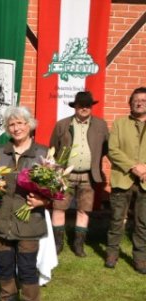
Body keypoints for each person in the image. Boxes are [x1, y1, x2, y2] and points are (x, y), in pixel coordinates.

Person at [0, 106, 49, 301]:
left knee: (27, 270)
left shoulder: (43, 153)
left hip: (29, 223)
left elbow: (61, 190)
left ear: (30, 125)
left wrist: (43, 201)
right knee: (4, 267)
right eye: (12, 124)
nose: (16, 127)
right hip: (2, 220)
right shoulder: (0, 152)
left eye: (20, 123)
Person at [49, 91, 109, 257]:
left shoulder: (101, 125)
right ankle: (57, 244)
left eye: (87, 105)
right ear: (75, 106)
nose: (84, 108)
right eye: (80, 104)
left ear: (91, 107)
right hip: (64, 175)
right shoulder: (62, 124)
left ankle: (78, 245)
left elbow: (105, 148)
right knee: (58, 208)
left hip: (88, 175)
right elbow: (53, 147)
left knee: (84, 210)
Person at [106, 87, 146, 273]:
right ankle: (112, 254)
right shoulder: (120, 123)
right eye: (136, 100)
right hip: (123, 178)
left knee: (143, 222)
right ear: (130, 103)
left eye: (143, 100)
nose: (139, 103)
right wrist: (133, 166)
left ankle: (140, 258)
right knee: (116, 219)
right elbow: (113, 150)